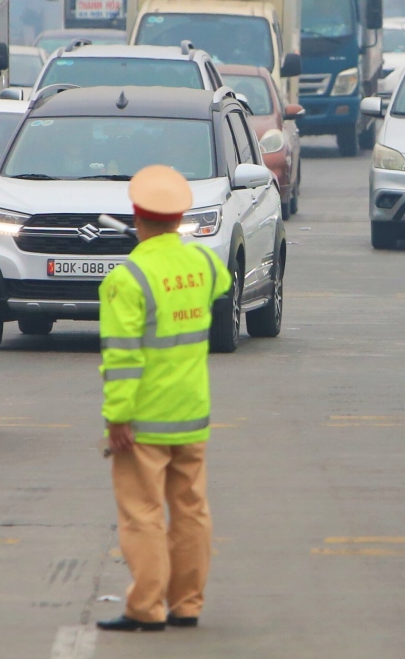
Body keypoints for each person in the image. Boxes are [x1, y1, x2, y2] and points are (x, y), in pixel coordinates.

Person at [96, 165, 232, 633]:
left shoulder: (126, 278)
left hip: (145, 421)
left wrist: (118, 419)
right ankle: (187, 604)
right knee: (192, 510)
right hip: (192, 414)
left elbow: (123, 360)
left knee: (143, 515)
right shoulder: (204, 263)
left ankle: (146, 608)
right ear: (180, 218)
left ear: (137, 216)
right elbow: (222, 285)